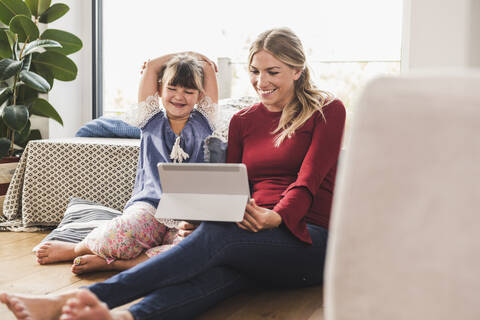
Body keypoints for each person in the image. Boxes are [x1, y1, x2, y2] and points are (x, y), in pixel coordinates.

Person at [0, 27, 346, 320]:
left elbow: (309, 180)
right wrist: (200, 218)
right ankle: (126, 316)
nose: (260, 81)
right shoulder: (243, 120)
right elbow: (231, 184)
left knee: (218, 238)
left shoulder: (327, 110)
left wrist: (276, 217)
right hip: (250, 235)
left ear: (297, 70)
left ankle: (75, 301)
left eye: (273, 72)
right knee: (216, 272)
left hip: (305, 238)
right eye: (255, 71)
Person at [34, 52, 219, 274]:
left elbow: (208, 68)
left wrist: (202, 61)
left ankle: (115, 264)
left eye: (189, 91)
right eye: (172, 88)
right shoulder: (149, 119)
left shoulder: (205, 122)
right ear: (159, 90)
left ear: (199, 96)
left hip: (189, 213)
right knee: (121, 234)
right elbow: (151, 66)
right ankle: (77, 248)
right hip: (150, 207)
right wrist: (190, 55)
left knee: (193, 253)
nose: (179, 96)